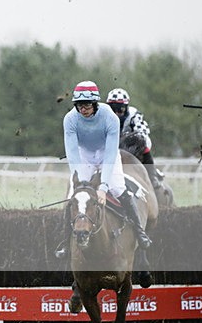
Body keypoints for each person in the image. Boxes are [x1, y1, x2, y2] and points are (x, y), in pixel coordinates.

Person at [55, 81, 152, 259]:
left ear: (95, 103)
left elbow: (110, 153)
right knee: (73, 196)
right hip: (84, 155)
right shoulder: (70, 119)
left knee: (118, 188)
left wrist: (104, 186)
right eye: (79, 105)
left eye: (86, 105)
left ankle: (140, 232)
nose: (83, 109)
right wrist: (77, 181)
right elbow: (72, 153)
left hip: (108, 153)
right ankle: (65, 242)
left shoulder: (109, 117)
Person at [105, 88, 164, 189]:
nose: (116, 113)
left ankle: (152, 175)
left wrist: (128, 139)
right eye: (113, 109)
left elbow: (143, 133)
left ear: (126, 107)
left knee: (143, 142)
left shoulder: (134, 114)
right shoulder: (103, 115)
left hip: (129, 147)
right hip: (110, 146)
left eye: (120, 109)